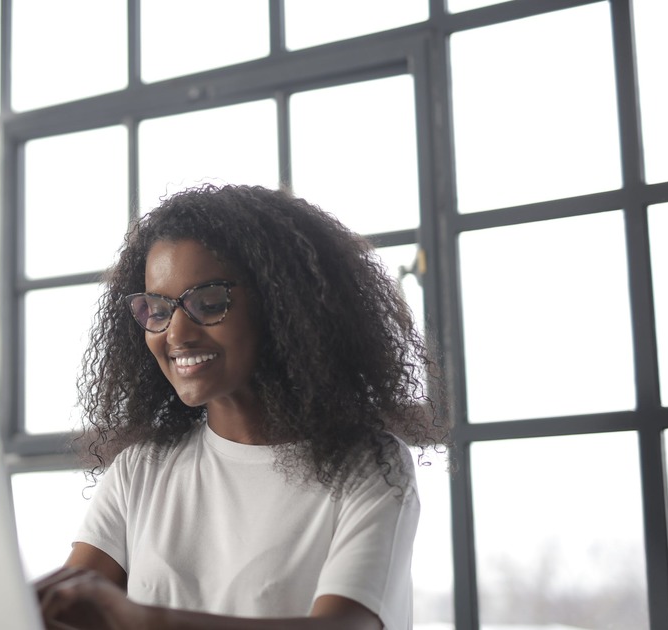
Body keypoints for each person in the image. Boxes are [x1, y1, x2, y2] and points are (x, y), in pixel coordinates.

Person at [34, 184, 449, 630]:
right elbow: (67, 613)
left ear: (281, 306)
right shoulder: (140, 471)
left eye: (208, 303)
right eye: (157, 309)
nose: (175, 334)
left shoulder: (370, 466)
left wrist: (142, 620)